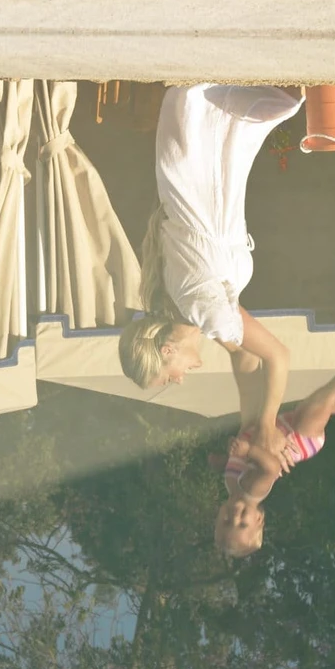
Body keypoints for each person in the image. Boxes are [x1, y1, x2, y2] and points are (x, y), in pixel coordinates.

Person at [120, 84, 305, 461]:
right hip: (194, 176)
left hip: (204, 178)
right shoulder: (178, 308)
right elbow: (243, 357)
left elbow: (277, 356)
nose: (180, 379)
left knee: (254, 99)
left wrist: (268, 427)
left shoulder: (204, 312)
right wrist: (249, 426)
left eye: (169, 376)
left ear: (167, 350)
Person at [215, 339, 335, 558]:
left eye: (226, 521)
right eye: (242, 524)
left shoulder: (231, 484)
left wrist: (232, 450)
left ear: (217, 516)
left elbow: (237, 456)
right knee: (320, 404)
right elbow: (272, 468)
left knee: (331, 406)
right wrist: (247, 451)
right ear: (258, 519)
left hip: (277, 431)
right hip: (299, 439)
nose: (235, 516)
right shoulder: (252, 490)